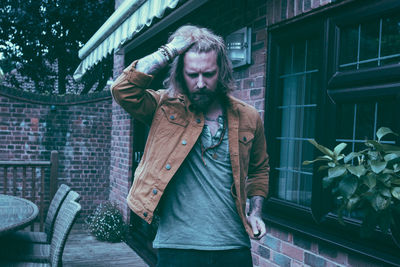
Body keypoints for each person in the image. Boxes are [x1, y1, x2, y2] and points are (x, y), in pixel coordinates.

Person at [111, 25, 269, 267]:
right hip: (177, 246)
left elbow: (259, 170)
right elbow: (123, 89)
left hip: (234, 245)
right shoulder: (164, 107)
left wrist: (255, 212)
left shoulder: (248, 117)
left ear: (222, 71)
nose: (201, 83)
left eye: (208, 74)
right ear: (180, 74)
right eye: (192, 75)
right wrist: (171, 50)